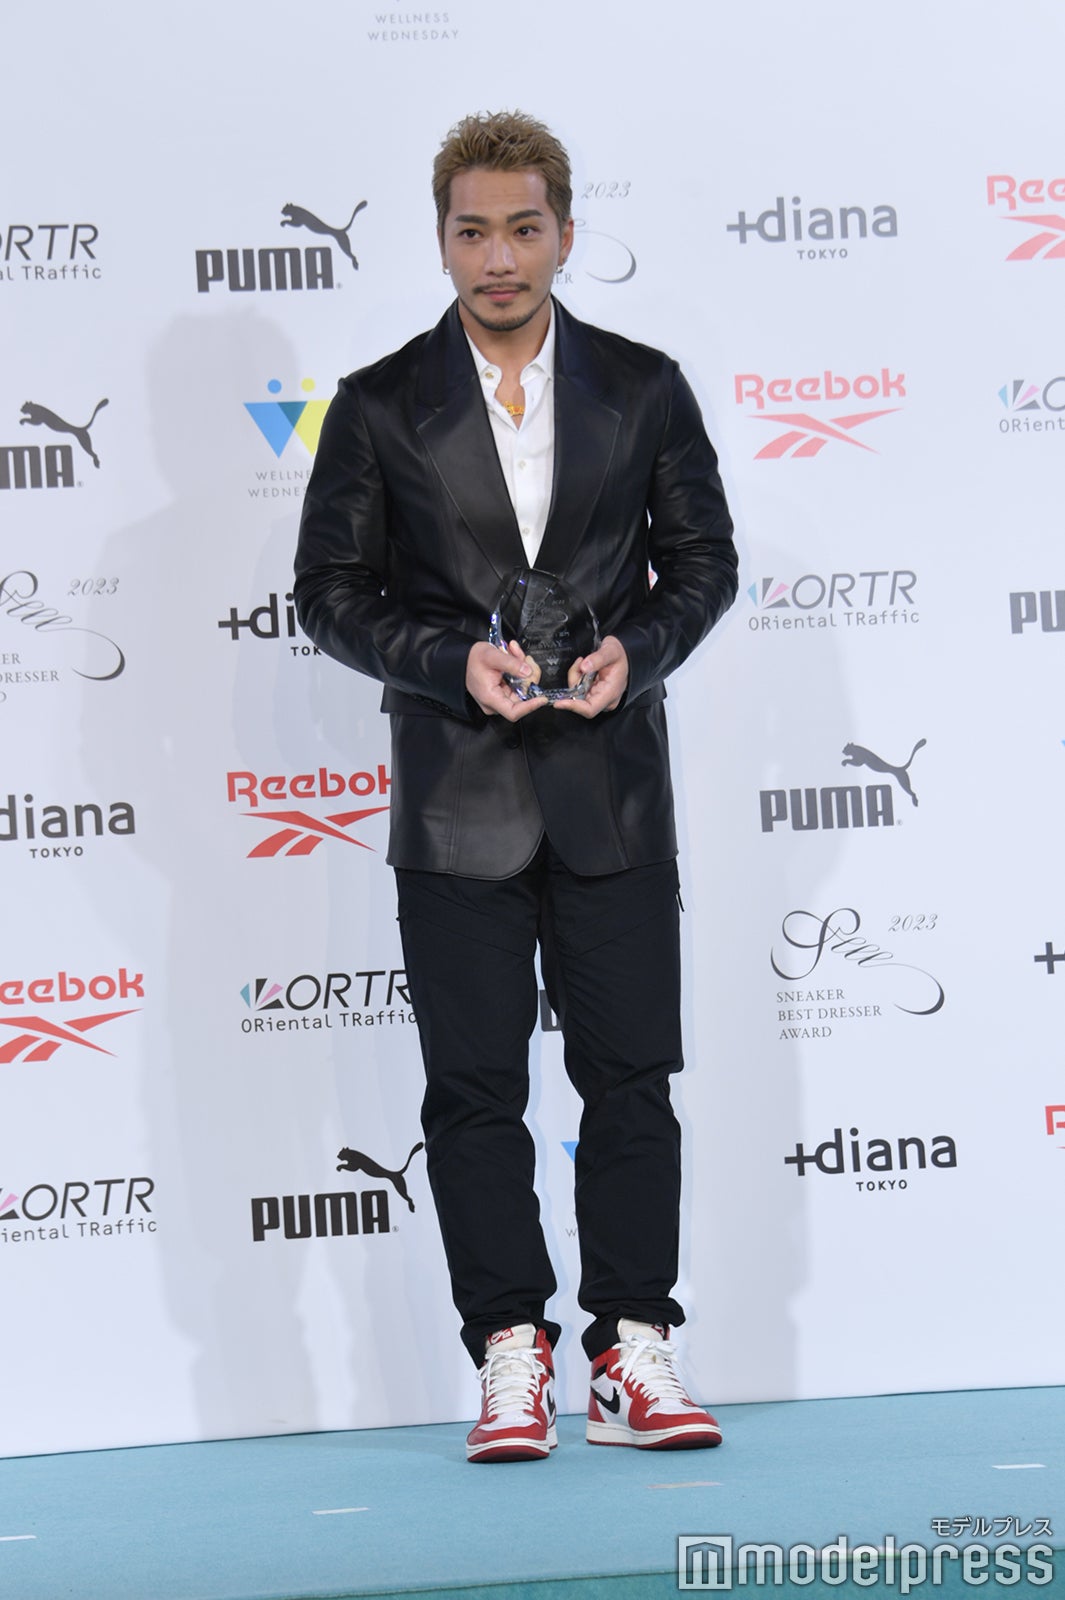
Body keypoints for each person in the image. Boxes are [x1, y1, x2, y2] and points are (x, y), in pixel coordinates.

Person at [294, 110, 737, 1463]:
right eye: (473, 231)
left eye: (523, 228)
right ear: (441, 240)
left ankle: (632, 1349)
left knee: (631, 1083)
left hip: (613, 792)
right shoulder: (379, 403)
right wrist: (451, 664)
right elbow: (329, 593)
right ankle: (509, 1352)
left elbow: (703, 565)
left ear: (565, 234)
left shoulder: (645, 388)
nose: (499, 257)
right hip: (455, 799)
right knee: (474, 1093)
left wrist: (636, 651)